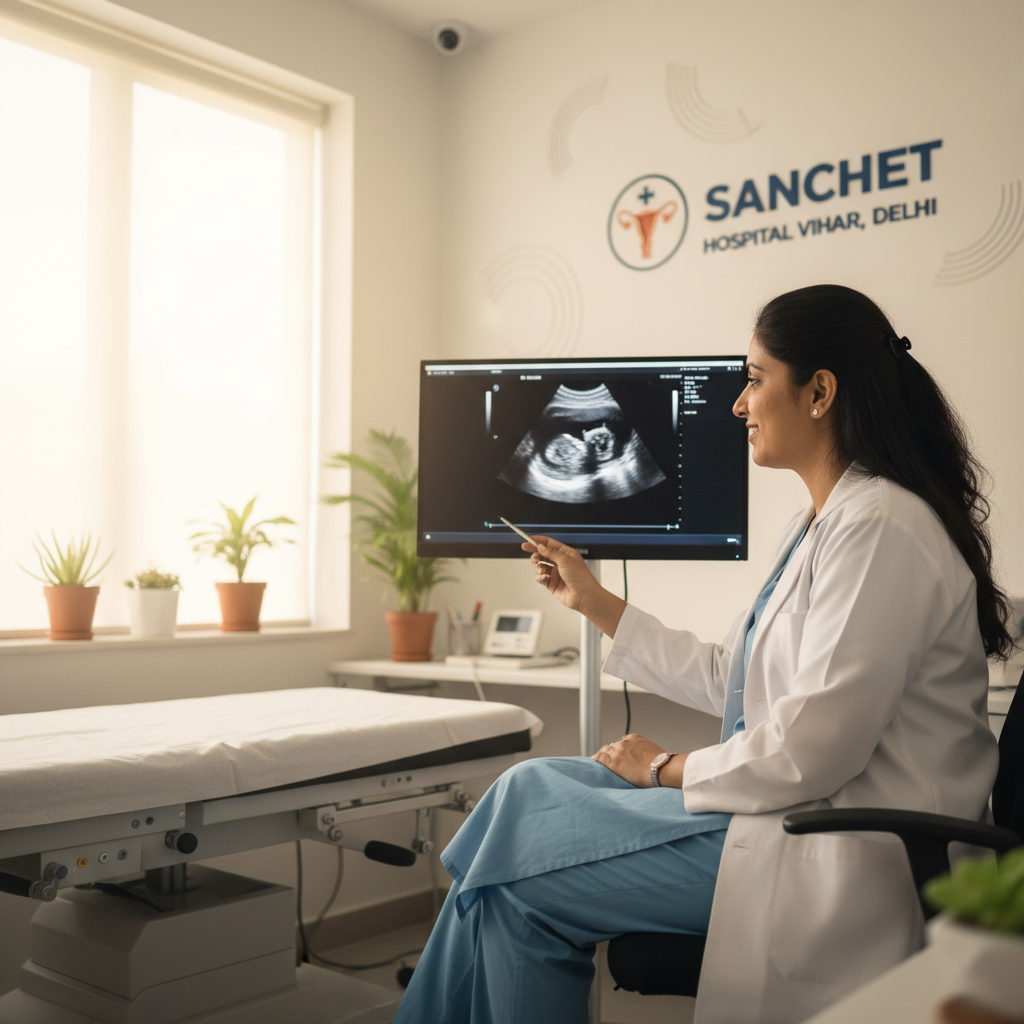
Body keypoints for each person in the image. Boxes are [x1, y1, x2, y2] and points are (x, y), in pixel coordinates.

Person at [394, 284, 1009, 1024]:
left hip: (846, 846)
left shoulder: (880, 528)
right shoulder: (822, 523)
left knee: (506, 875)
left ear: (819, 391)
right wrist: (593, 599)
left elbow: (815, 747)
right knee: (525, 806)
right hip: (787, 813)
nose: (736, 405)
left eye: (753, 379)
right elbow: (735, 677)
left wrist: (665, 768)